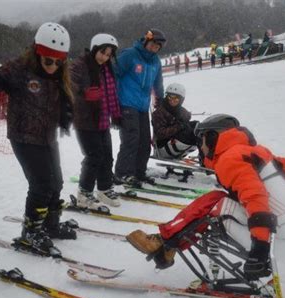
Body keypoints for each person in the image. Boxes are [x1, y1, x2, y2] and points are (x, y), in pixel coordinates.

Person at [127, 114, 285, 279]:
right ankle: (168, 244)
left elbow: (254, 197)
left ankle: (165, 242)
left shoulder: (230, 159)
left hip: (274, 240)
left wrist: (260, 249)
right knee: (221, 200)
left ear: (213, 138)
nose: (201, 146)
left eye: (202, 140)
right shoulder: (254, 151)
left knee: (215, 202)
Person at [0, 22, 77, 247]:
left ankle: (50, 223)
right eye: (49, 60)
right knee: (42, 184)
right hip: (24, 137)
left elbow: (63, 97)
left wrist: (66, 114)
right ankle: (30, 232)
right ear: (38, 53)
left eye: (59, 62)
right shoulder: (18, 70)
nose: (53, 66)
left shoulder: (58, 74)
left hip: (47, 136)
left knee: (56, 182)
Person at [70, 33, 121, 209]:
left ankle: (105, 189)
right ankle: (84, 193)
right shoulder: (80, 65)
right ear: (94, 49)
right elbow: (68, 84)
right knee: (94, 156)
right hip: (85, 119)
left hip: (102, 119)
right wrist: (84, 92)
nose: (105, 58)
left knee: (107, 155)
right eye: (102, 53)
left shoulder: (107, 68)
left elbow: (111, 93)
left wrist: (116, 114)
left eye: (108, 55)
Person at [113, 29, 165, 186]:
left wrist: (160, 98)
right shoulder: (130, 55)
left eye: (158, 46)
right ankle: (123, 173)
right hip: (126, 103)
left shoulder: (155, 61)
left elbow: (158, 82)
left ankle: (138, 172)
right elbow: (114, 73)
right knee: (131, 139)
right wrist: (113, 99)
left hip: (142, 106)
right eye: (153, 44)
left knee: (144, 141)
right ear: (146, 41)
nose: (155, 48)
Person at [152, 83, 198, 160]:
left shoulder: (181, 111)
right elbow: (160, 133)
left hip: (175, 142)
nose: (172, 100)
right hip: (163, 146)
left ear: (181, 100)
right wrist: (179, 126)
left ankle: (206, 158)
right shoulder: (159, 112)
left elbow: (187, 118)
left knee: (197, 127)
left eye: (176, 98)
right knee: (188, 132)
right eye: (170, 97)